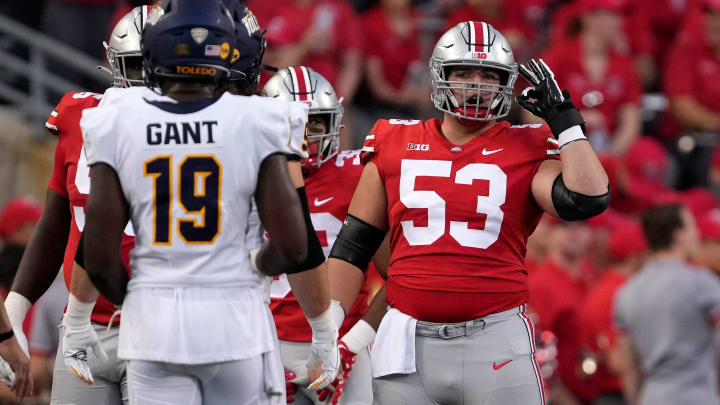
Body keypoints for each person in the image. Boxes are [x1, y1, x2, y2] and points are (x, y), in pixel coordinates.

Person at [325, 20, 609, 404]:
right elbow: (353, 246)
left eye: (488, 75)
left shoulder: (527, 144)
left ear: (505, 83)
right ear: (441, 76)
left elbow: (586, 199)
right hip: (407, 343)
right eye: (463, 73)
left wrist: (567, 125)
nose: (476, 84)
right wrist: (326, 330)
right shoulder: (394, 140)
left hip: (495, 339)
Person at [79, 0, 336, 403]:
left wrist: (140, 301)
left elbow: (95, 255)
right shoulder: (261, 119)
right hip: (237, 320)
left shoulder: (116, 115)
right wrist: (253, 270)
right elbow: (293, 244)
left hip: (154, 328)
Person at [0, 7, 149, 405]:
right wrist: (15, 311)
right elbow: (55, 224)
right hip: (84, 325)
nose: (145, 82)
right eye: (136, 66)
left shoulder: (205, 131)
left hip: (162, 326)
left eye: (155, 67)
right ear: (114, 63)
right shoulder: (78, 114)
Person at [262, 66, 379, 405]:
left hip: (340, 344)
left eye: (314, 124)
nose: (304, 135)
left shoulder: (360, 174)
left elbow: (395, 274)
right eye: (291, 123)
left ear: (333, 124)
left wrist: (353, 343)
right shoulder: (244, 174)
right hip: (266, 344)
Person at [614, 203, 720, 405]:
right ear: (679, 235)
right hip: (697, 394)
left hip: (653, 396)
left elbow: (627, 363)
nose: (697, 234)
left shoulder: (627, 292)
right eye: (692, 227)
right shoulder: (700, 282)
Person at [579, 220, 647, 405]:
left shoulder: (612, 286)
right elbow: (617, 361)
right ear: (635, 257)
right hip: (618, 394)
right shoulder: (615, 292)